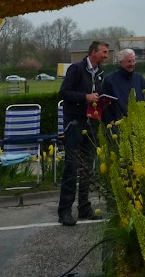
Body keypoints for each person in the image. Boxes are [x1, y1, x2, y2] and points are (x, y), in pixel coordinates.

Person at [57, 41, 108, 226]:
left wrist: (103, 101)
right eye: (104, 52)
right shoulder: (76, 69)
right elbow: (63, 93)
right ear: (93, 52)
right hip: (75, 123)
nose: (106, 55)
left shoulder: (100, 73)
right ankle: (64, 211)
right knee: (71, 167)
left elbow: (99, 94)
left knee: (88, 168)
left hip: (91, 123)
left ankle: (84, 207)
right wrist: (84, 97)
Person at [101, 48, 145, 124]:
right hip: (119, 123)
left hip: (140, 122)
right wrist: (110, 120)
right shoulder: (110, 80)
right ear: (121, 62)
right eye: (129, 61)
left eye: (133, 61)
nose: (132, 64)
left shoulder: (140, 79)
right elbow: (104, 103)